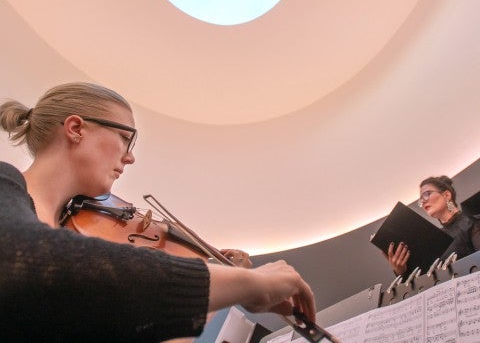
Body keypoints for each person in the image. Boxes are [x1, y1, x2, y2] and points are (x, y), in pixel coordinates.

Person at [0, 82, 316, 342]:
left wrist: (230, 292)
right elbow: (31, 257)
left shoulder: (70, 234)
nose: (130, 158)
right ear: (75, 128)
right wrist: (246, 283)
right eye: (125, 139)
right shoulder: (5, 184)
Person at [386, 175, 480, 276]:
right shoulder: (434, 239)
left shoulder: (472, 223)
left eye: (427, 194)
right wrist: (401, 271)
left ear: (447, 195)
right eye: (420, 200)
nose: (423, 201)